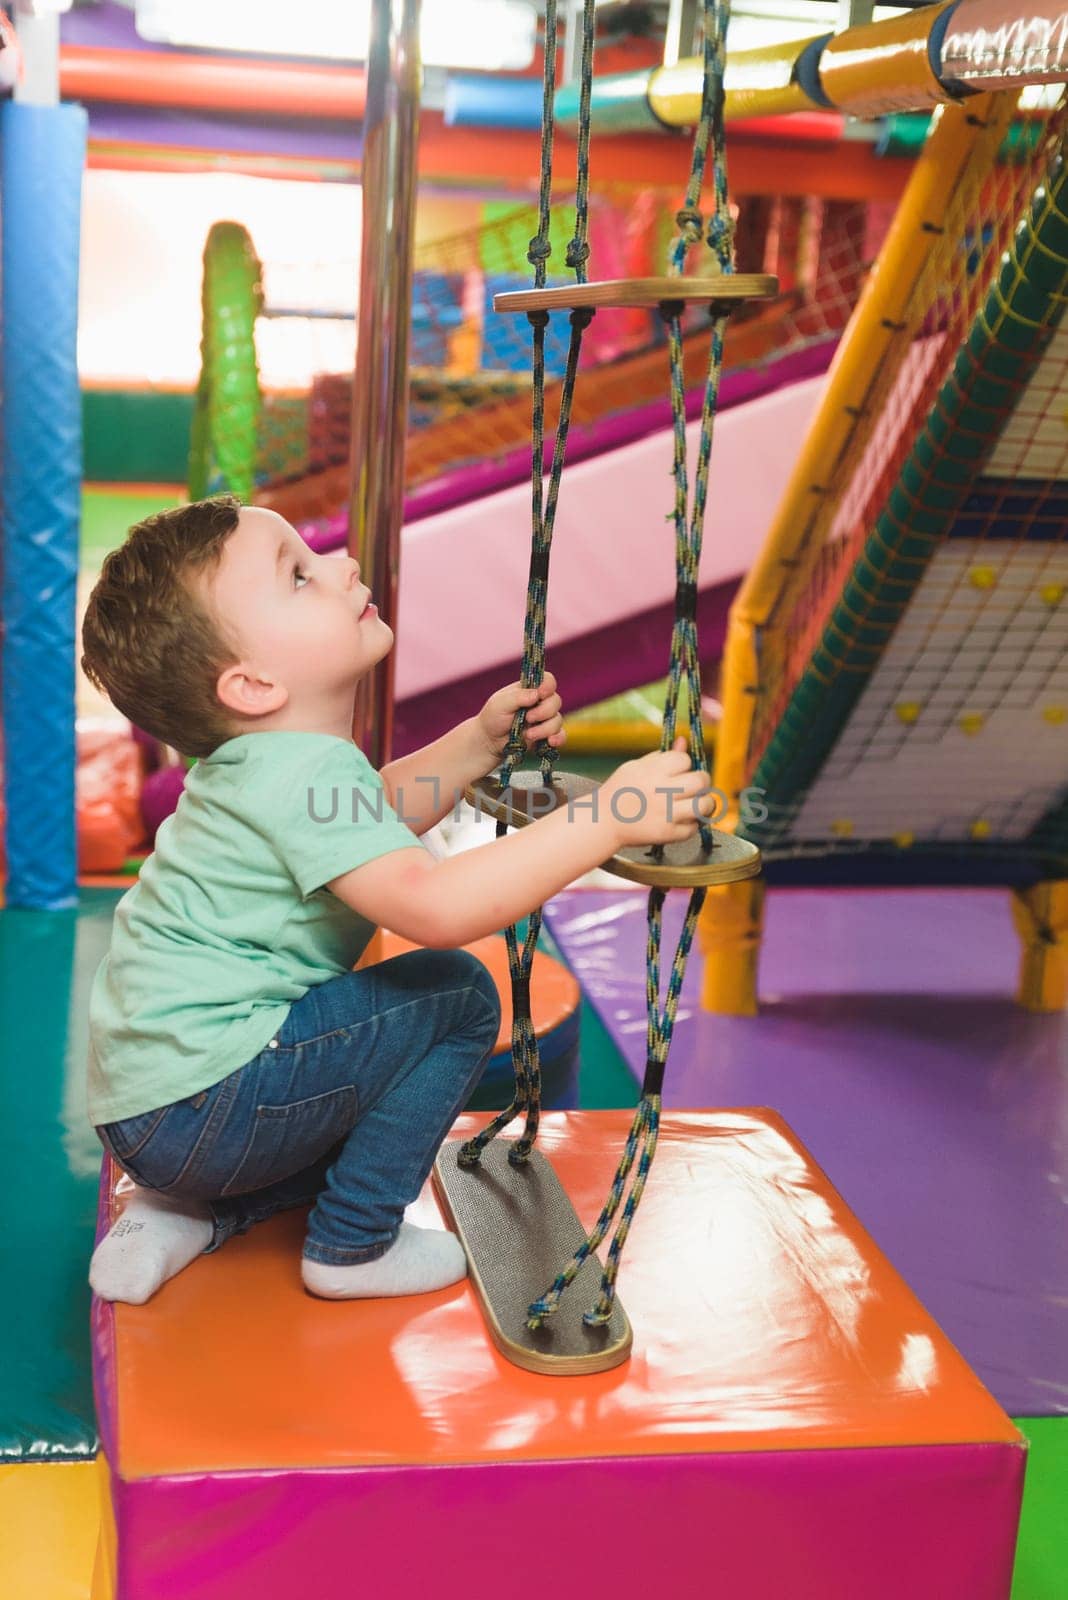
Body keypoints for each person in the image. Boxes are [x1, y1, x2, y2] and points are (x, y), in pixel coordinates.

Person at [81, 496, 714, 1306]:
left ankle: (192, 1211)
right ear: (252, 683)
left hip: (151, 1114)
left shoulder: (264, 767)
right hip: (213, 1099)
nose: (342, 564)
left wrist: (474, 743)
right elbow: (433, 906)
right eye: (301, 577)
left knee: (357, 1070)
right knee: (452, 995)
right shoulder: (303, 770)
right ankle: (354, 1243)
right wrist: (605, 819)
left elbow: (366, 819)